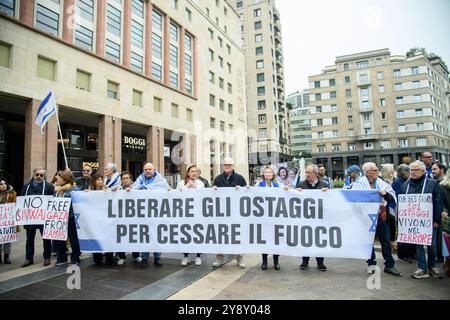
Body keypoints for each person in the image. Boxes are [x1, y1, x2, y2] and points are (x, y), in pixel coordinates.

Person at [353, 162, 402, 277]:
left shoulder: (382, 183)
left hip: (381, 217)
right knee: (369, 242)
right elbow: (353, 199)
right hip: (366, 218)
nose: (377, 172)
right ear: (367, 172)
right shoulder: (359, 184)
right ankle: (371, 264)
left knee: (385, 241)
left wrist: (385, 195)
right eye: (374, 170)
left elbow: (392, 199)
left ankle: (389, 265)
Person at [398, 161, 442, 279]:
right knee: (418, 244)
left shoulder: (432, 184)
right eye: (411, 170)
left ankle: (432, 266)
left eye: (416, 170)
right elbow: (403, 204)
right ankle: (422, 267)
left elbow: (438, 202)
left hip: (430, 220)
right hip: (415, 221)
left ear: (423, 171)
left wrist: (437, 220)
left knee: (432, 245)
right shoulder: (405, 185)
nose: (412, 172)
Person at [128, 163, 169, 268]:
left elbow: (166, 191)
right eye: (146, 169)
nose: (148, 171)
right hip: (143, 214)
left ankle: (157, 257)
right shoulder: (139, 180)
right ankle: (144, 258)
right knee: (144, 236)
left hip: (156, 213)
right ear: (143, 170)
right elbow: (134, 191)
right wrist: (129, 191)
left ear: (154, 170)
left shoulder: (161, 181)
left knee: (156, 235)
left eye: (150, 169)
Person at [212, 157, 247, 269]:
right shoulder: (217, 179)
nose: (228, 166)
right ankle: (220, 258)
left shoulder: (240, 178)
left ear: (233, 166)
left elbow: (246, 193)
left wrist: (240, 190)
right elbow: (212, 195)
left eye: (230, 165)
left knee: (237, 235)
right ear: (223, 166)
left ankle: (239, 258)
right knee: (221, 235)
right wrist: (213, 190)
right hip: (221, 213)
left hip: (236, 213)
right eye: (226, 164)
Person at [296, 164, 329, 271]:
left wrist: (327, 193)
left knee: (319, 240)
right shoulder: (301, 184)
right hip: (305, 218)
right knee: (305, 240)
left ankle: (320, 262)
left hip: (319, 218)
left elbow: (331, 200)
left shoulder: (324, 184)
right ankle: (305, 261)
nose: (306, 174)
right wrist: (296, 192)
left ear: (315, 173)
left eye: (308, 172)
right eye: (305, 172)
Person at [20, 168, 55, 267]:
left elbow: (52, 200)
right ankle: (29, 258)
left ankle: (47, 257)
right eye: (37, 175)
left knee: (46, 238)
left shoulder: (49, 186)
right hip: (30, 217)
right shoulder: (26, 186)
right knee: (29, 239)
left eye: (41, 175)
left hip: (43, 217)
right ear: (33, 175)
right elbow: (22, 200)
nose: (39, 177)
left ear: (44, 177)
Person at [176, 165, 205, 266]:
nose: (194, 173)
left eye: (196, 171)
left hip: (197, 213)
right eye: (192, 171)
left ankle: (198, 256)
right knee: (185, 234)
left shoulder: (201, 184)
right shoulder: (180, 183)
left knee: (198, 234)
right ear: (188, 173)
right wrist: (187, 186)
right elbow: (177, 196)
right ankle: (185, 256)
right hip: (185, 213)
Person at [85, 174, 115, 267]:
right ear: (94, 181)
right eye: (98, 179)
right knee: (96, 238)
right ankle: (97, 258)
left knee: (107, 238)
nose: (100, 181)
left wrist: (109, 193)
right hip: (94, 220)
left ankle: (109, 258)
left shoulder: (106, 190)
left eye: (101, 179)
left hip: (105, 219)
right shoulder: (90, 190)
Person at [53, 170, 82, 266]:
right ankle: (61, 258)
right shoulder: (58, 190)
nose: (57, 178)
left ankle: (75, 258)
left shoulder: (75, 190)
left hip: (71, 218)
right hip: (60, 218)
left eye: (60, 177)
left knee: (73, 239)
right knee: (60, 238)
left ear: (66, 179)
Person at [257, 165, 281, 270]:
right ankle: (264, 261)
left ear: (273, 174)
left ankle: (276, 261)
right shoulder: (259, 185)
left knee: (276, 240)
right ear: (263, 174)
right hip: (263, 217)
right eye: (266, 172)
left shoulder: (277, 185)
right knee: (265, 239)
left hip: (275, 217)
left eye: (270, 172)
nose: (268, 174)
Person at [392, 164, 416, 262]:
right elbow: (396, 196)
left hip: (411, 210)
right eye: (409, 171)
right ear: (404, 172)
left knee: (412, 232)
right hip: (402, 210)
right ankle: (403, 254)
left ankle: (412, 253)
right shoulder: (397, 182)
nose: (410, 173)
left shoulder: (410, 181)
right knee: (403, 233)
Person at [380, 164, 397, 254]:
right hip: (385, 207)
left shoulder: (394, 180)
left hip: (393, 205)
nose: (394, 171)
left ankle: (392, 242)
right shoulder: (381, 182)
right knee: (389, 223)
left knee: (393, 224)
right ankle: (390, 243)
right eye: (392, 169)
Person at [432, 163, 446, 263]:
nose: (432, 171)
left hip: (444, 215)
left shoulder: (446, 183)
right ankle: (439, 256)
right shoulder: (433, 182)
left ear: (442, 170)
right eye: (432, 169)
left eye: (435, 169)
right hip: (436, 214)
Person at [0, 179, 17, 264]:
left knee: (7, 239)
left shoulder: (12, 193)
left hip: (7, 220)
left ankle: (6, 256)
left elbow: (16, 205)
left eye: (4, 184)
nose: (3, 185)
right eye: (1, 184)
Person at [440, 170, 450, 276]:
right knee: (448, 244)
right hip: (448, 220)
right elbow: (441, 202)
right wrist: (444, 210)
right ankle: (447, 264)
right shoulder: (443, 187)